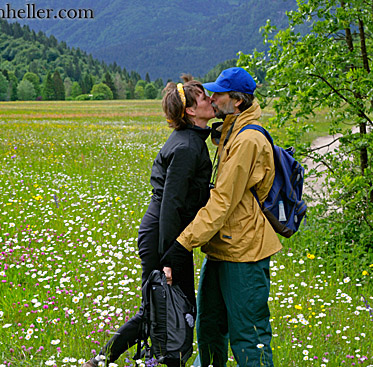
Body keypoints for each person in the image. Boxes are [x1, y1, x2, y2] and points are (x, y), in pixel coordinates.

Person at [82, 78, 215, 367]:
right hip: (163, 235)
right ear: (191, 111)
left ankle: (105, 360)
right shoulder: (187, 148)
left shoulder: (192, 140)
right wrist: (170, 256)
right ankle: (106, 360)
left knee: (163, 308)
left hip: (165, 233)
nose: (211, 101)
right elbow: (172, 205)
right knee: (166, 309)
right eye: (204, 98)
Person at [161, 67, 283, 367]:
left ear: (237, 101)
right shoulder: (232, 127)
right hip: (222, 247)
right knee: (209, 329)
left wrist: (183, 243)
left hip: (244, 251)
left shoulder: (247, 140)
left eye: (218, 94)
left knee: (248, 334)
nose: (212, 98)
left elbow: (223, 202)